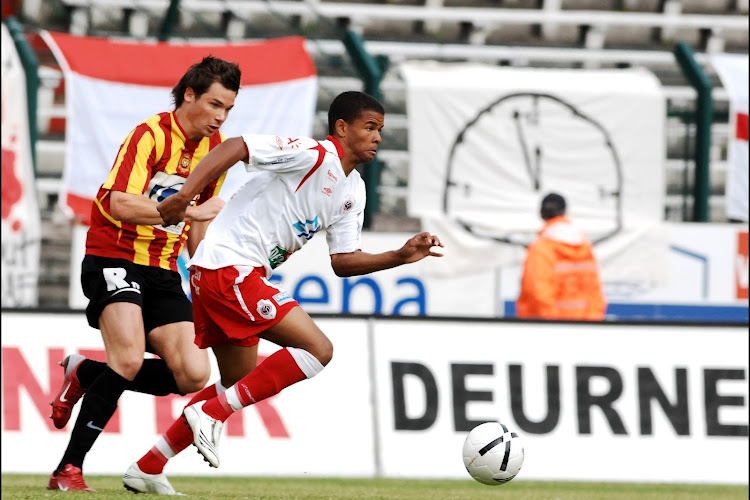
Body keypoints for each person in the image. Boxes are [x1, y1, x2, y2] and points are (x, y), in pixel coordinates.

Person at [127, 90, 443, 484]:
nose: (378, 137)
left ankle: (147, 467)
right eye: (370, 127)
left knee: (236, 383)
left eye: (380, 129)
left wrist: (398, 255)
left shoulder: (353, 190)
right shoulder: (313, 154)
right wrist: (185, 196)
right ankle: (211, 415)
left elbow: (343, 262)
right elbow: (235, 146)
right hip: (230, 267)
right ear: (342, 128)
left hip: (226, 272)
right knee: (318, 349)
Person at [47, 56, 242, 493]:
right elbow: (121, 204)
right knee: (130, 358)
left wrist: (204, 275)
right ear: (189, 94)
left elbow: (199, 223)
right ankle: (67, 471)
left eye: (227, 108)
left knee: (193, 374)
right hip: (113, 255)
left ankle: (84, 374)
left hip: (162, 267)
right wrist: (189, 210)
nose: (219, 116)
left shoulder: (218, 150)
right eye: (214, 104)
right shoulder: (150, 134)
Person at [516, 192, 606, 321]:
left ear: (541, 213)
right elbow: (595, 294)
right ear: (564, 211)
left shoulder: (541, 250)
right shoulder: (586, 248)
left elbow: (538, 294)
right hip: (584, 329)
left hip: (550, 330)